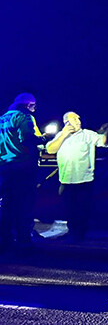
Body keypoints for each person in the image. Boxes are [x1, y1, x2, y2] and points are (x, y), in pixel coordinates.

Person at [45, 112, 108, 241]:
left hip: (84, 180)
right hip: (66, 180)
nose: (78, 121)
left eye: (78, 118)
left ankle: (80, 234)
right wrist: (63, 135)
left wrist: (107, 131)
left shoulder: (87, 134)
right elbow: (50, 149)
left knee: (82, 209)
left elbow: (103, 141)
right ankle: (72, 231)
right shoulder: (60, 135)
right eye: (74, 119)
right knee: (68, 209)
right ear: (66, 122)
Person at [0, 93, 41, 252]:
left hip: (4, 168)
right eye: (33, 105)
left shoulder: (2, 118)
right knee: (24, 206)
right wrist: (44, 138)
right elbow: (28, 138)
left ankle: (5, 241)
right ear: (28, 105)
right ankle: (24, 243)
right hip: (22, 167)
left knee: (6, 205)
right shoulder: (25, 117)